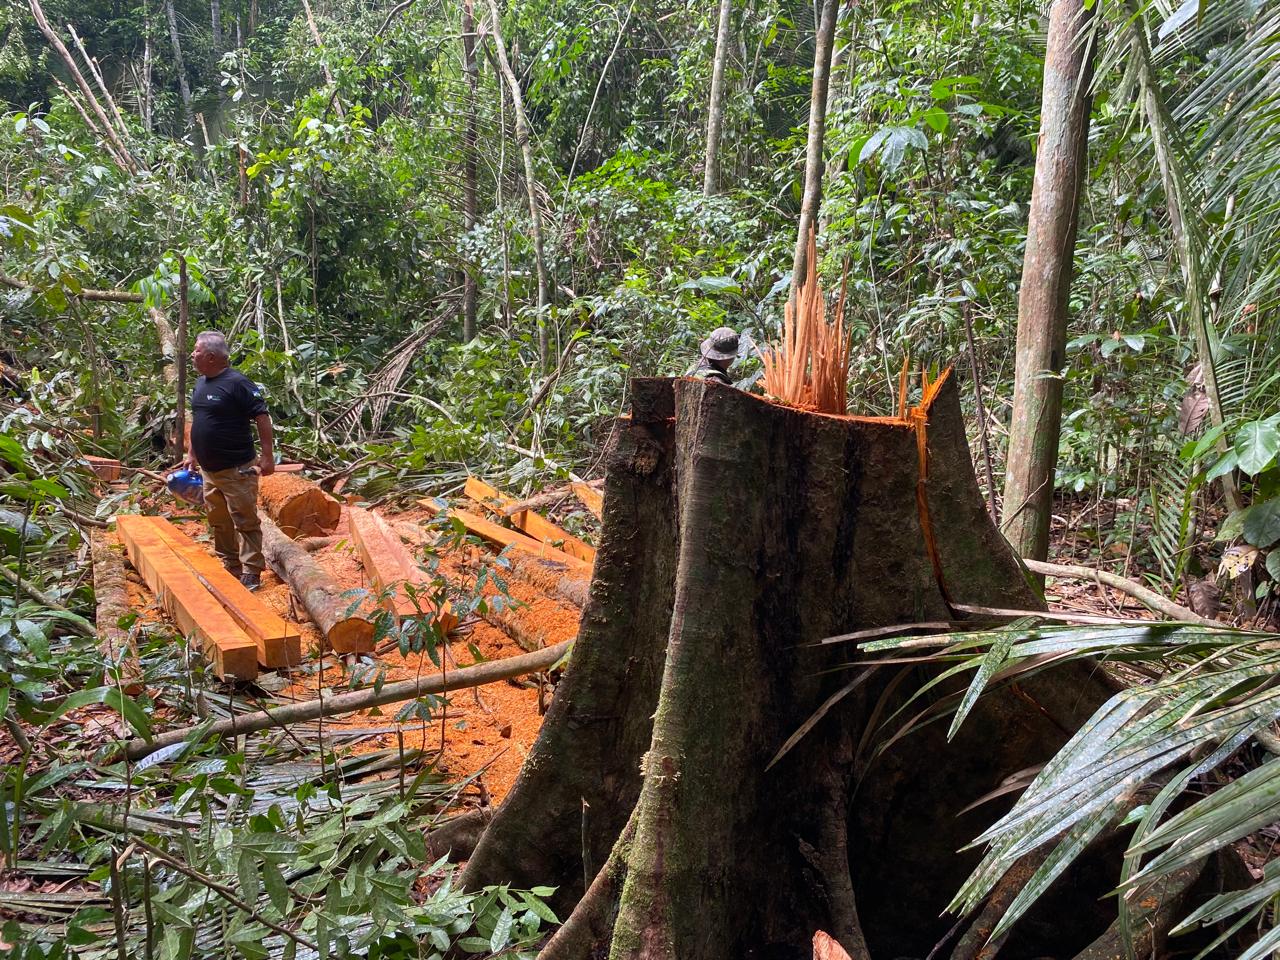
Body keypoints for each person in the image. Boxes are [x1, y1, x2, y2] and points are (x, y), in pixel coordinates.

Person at [184, 331, 275, 591]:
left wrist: (267, 456)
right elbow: (199, 421)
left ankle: (252, 570)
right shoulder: (201, 383)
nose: (193, 355)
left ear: (211, 357)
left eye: (197, 351)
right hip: (209, 470)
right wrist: (192, 454)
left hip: (237, 468)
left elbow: (262, 416)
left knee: (245, 519)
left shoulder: (238, 383)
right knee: (218, 520)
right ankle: (231, 563)